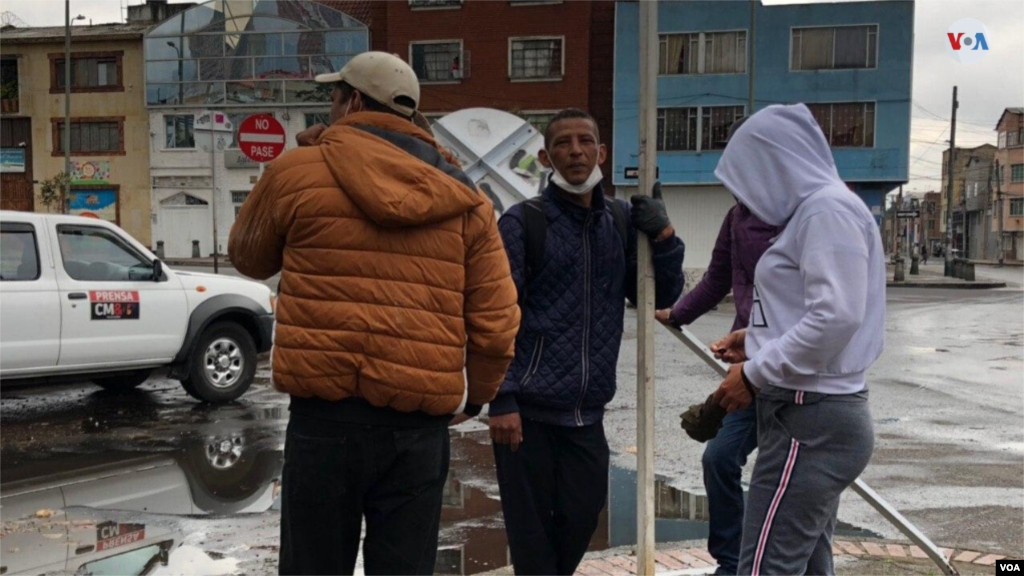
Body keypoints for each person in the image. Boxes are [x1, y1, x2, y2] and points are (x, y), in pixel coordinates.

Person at [228, 52, 521, 576]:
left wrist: (295, 177)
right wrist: (474, 396)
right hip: (418, 427)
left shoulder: (298, 169)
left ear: (354, 101)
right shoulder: (464, 195)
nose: (331, 106)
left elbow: (248, 257)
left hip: (324, 420)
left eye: (333, 96)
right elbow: (496, 321)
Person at [490, 108, 685, 576]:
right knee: (532, 539)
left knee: (580, 518)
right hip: (528, 414)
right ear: (545, 157)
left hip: (586, 413)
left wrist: (663, 237)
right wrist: (501, 398)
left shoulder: (620, 221)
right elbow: (494, 315)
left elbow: (658, 297)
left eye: (585, 141)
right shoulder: (522, 223)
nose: (575, 151)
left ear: (601, 151)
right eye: (563, 143)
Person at [709, 104, 885, 576]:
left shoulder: (826, 210)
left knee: (765, 568)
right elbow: (824, 310)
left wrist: (755, 372)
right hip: (816, 411)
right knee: (807, 565)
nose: (747, 190)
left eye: (751, 172)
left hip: (810, 416)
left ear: (778, 162)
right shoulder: (822, 209)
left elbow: (837, 315)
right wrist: (758, 337)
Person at [655, 157, 782, 575]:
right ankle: (732, 562)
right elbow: (717, 277)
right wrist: (678, 314)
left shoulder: (798, 216)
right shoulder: (735, 218)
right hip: (746, 366)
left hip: (792, 366)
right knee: (720, 458)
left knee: (789, 484)